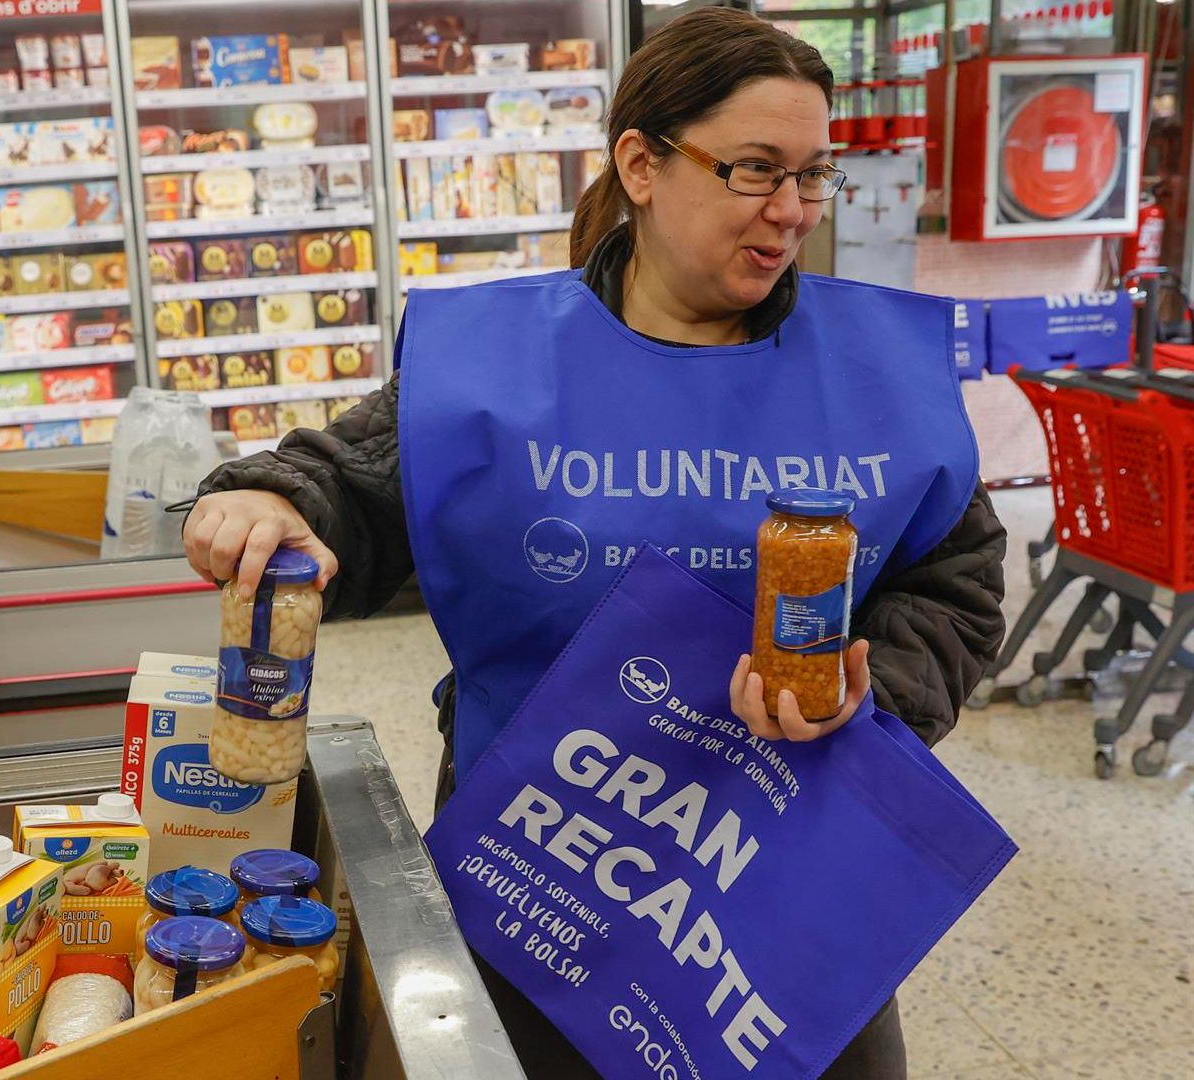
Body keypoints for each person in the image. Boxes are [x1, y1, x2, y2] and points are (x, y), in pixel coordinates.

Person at [181, 9, 1007, 1078]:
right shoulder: (498, 368)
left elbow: (958, 576)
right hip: (541, 871)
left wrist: (874, 689)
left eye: (814, 174)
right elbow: (354, 485)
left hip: (777, 876)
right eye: (756, 170)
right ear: (641, 164)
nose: (794, 210)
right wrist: (273, 499)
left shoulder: (873, 381)